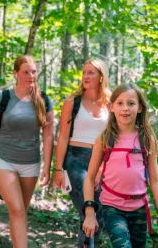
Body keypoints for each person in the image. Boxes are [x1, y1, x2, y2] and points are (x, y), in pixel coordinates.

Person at [82, 83, 158, 248]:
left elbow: (155, 181)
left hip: (139, 209)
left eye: (131, 103)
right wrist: (89, 213)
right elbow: (89, 178)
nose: (125, 108)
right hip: (112, 208)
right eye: (120, 103)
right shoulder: (104, 139)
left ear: (139, 108)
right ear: (112, 107)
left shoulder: (146, 139)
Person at [0, 55, 54, 248]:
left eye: (34, 72)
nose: (31, 76)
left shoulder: (44, 100)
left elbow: (48, 136)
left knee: (19, 212)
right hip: (3, 160)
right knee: (18, 209)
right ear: (16, 74)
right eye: (26, 72)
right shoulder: (3, 98)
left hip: (31, 163)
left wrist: (48, 166)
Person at [53, 58, 111, 248]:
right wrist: (58, 169)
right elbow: (62, 137)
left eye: (90, 73)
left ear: (101, 77)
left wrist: (104, 166)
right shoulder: (72, 101)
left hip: (101, 161)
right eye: (84, 72)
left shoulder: (111, 103)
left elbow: (114, 137)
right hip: (75, 159)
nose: (85, 76)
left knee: (100, 215)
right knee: (88, 210)